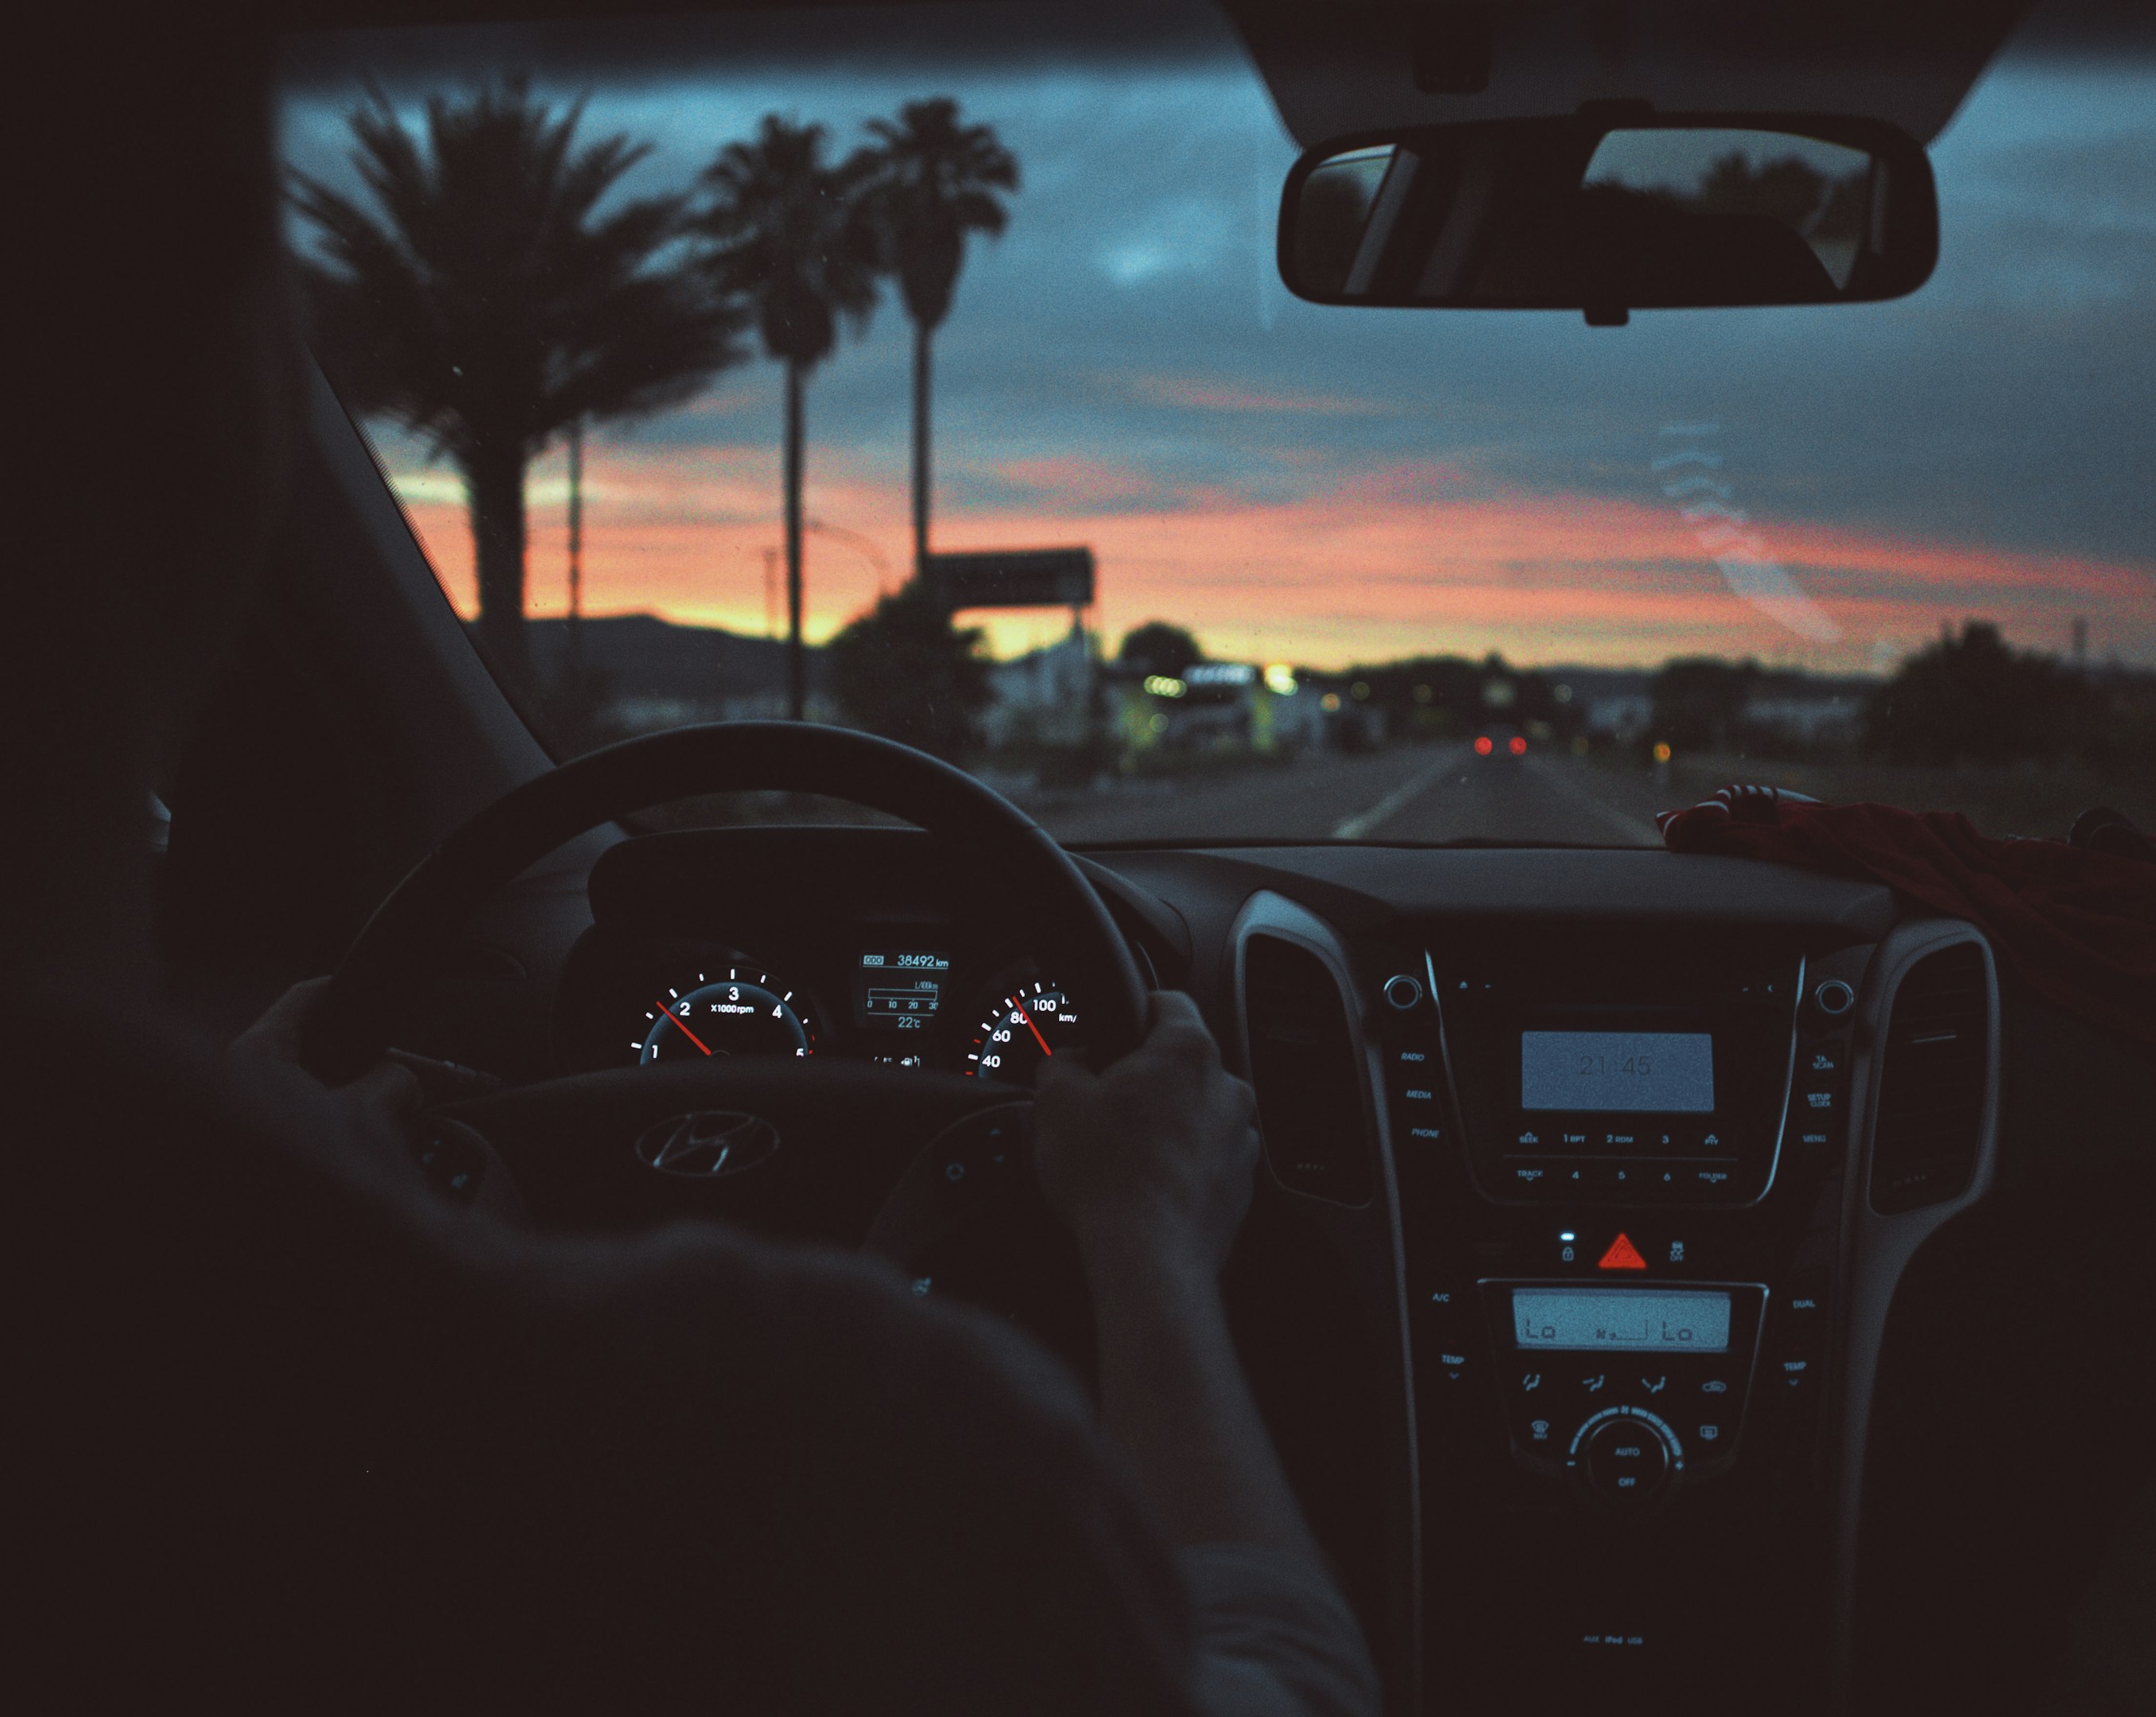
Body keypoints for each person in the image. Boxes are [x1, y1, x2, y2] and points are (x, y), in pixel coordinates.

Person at [7, 20, 1378, 1715]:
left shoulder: (142, 1356)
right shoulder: (843, 1450)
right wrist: (1151, 1246)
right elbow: (1287, 1681)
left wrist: (241, 1164)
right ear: (228, 428)